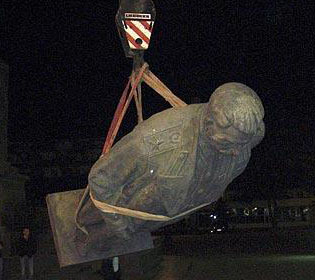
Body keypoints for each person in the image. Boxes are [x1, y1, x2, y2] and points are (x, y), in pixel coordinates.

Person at [76, 82, 265, 252]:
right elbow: (101, 178)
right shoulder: (151, 142)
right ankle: (85, 233)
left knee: (121, 233)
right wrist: (117, 223)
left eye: (241, 146)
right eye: (227, 144)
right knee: (95, 223)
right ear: (209, 123)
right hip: (129, 204)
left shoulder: (242, 143)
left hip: (162, 211)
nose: (234, 153)